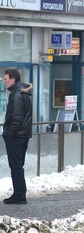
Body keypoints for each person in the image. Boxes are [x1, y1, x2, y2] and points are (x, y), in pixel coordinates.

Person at [2, 68, 33, 205]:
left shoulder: (17, 95)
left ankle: (19, 195)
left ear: (13, 79)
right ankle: (20, 193)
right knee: (18, 165)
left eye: (6, 79)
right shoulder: (23, 93)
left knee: (16, 166)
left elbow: (16, 118)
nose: (4, 82)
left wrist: (8, 134)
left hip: (16, 136)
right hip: (23, 134)